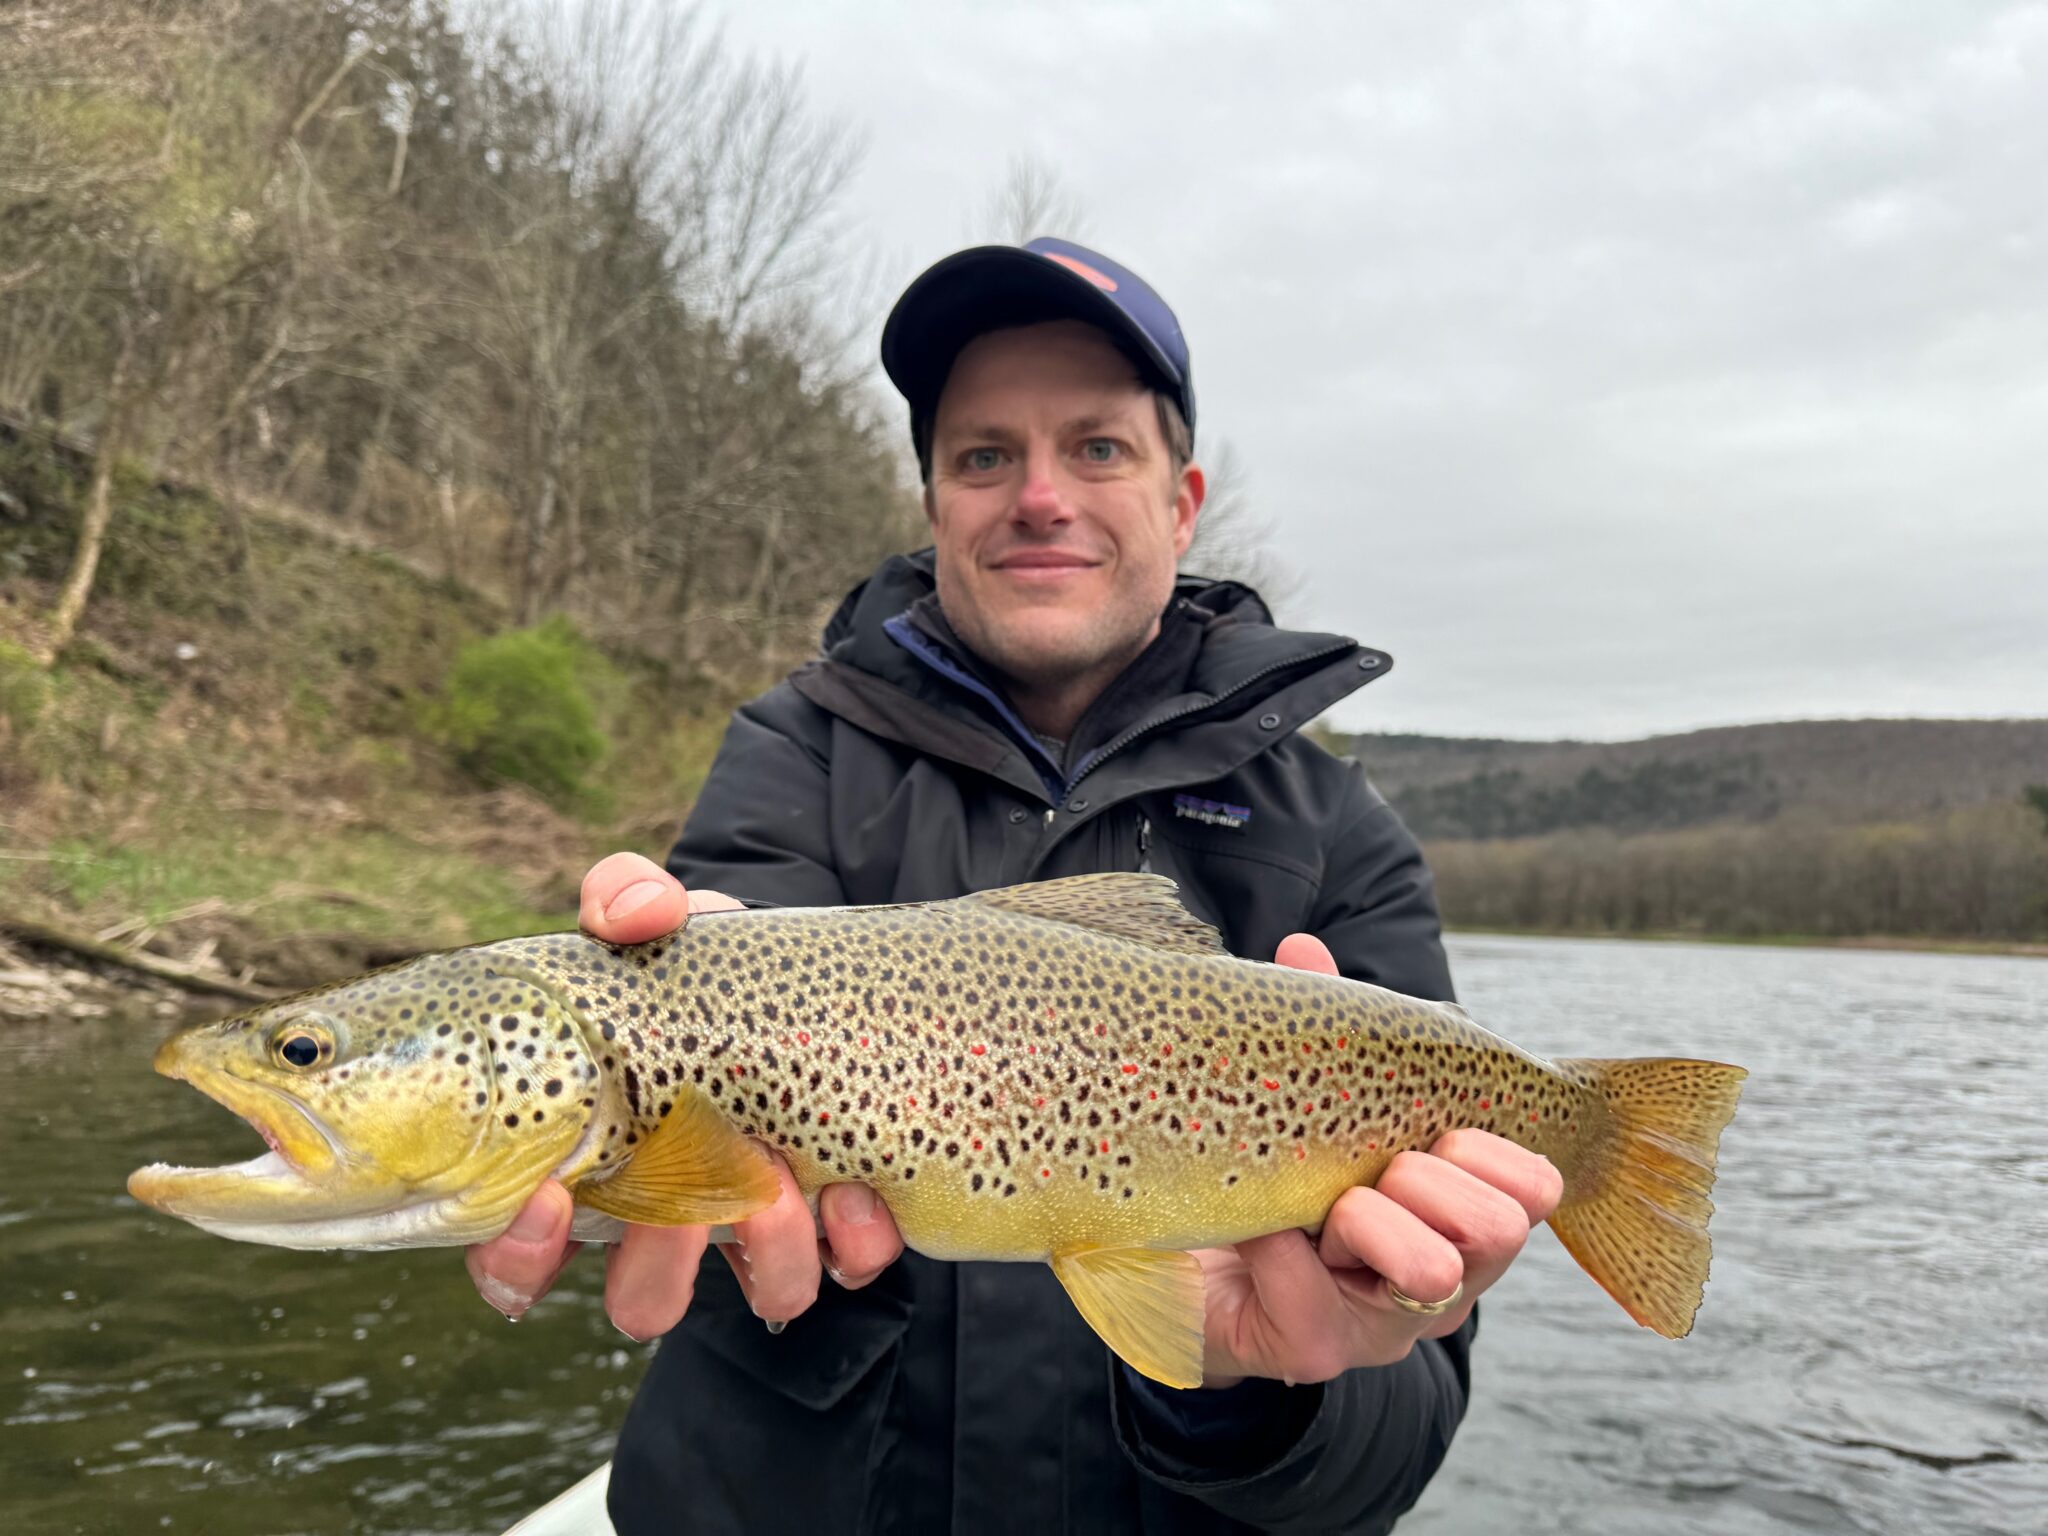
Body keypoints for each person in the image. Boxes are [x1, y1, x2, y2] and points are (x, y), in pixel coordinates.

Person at [467, 238, 1562, 1534]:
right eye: (985, 456)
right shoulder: (792, 751)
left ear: (1183, 503)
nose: (1040, 497)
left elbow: (1402, 1426)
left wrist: (1259, 1381)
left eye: (1097, 447)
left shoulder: (1335, 831)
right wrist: (643, 1108)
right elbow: (705, 1070)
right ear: (935, 505)